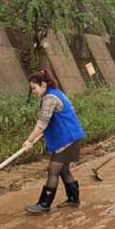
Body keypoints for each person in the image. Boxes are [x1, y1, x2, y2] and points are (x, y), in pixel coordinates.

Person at [22, 69, 85, 213]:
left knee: (53, 171)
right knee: (63, 170)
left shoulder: (49, 98)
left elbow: (43, 122)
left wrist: (29, 141)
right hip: (72, 137)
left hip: (67, 140)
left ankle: (44, 204)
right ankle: (73, 199)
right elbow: (56, 118)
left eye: (34, 88)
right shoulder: (57, 93)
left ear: (43, 84)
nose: (33, 92)